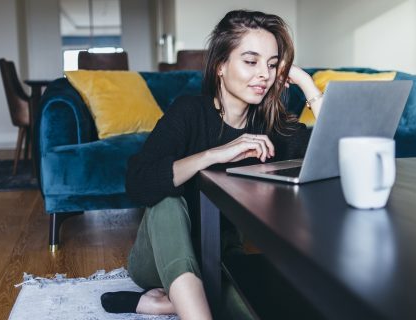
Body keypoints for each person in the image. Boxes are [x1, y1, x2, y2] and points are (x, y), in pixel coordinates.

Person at [100, 9, 325, 319]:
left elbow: (330, 156)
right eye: (251, 61)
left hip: (218, 258)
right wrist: (212, 155)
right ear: (221, 65)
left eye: (272, 65)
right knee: (167, 197)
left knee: (251, 310)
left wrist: (306, 84)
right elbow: (138, 181)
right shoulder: (189, 111)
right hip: (158, 256)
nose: (264, 74)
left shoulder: (271, 125)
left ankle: (163, 303)